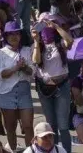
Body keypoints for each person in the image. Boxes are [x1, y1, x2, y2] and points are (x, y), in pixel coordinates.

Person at [31, 19, 73, 153]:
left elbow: (70, 41)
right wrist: (36, 41)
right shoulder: (37, 45)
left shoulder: (60, 44)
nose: (46, 30)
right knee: (51, 125)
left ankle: (66, 151)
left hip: (62, 87)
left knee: (63, 125)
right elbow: (36, 60)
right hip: (44, 89)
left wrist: (57, 27)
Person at [0, 22, 35, 151]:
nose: (14, 36)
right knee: (10, 127)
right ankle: (13, 150)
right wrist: (15, 68)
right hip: (7, 92)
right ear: (5, 36)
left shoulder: (27, 50)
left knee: (28, 125)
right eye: (10, 34)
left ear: (21, 35)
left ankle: (30, 150)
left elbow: (32, 72)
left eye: (17, 33)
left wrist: (24, 67)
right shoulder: (1, 53)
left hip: (24, 91)